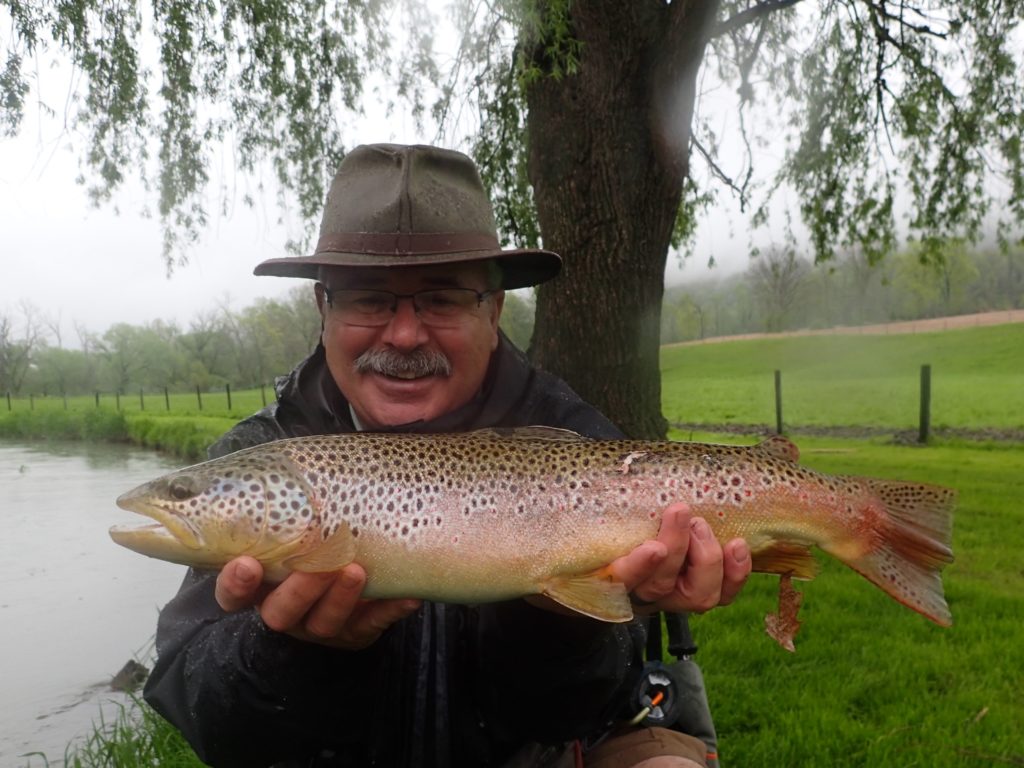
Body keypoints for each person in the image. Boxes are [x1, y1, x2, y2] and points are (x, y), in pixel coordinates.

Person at [143, 143, 752, 768]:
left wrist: (562, 620)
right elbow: (201, 714)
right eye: (368, 299)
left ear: (492, 310)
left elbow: (583, 711)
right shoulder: (265, 454)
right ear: (323, 308)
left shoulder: (576, 439)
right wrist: (289, 649)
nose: (404, 335)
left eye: (441, 299)